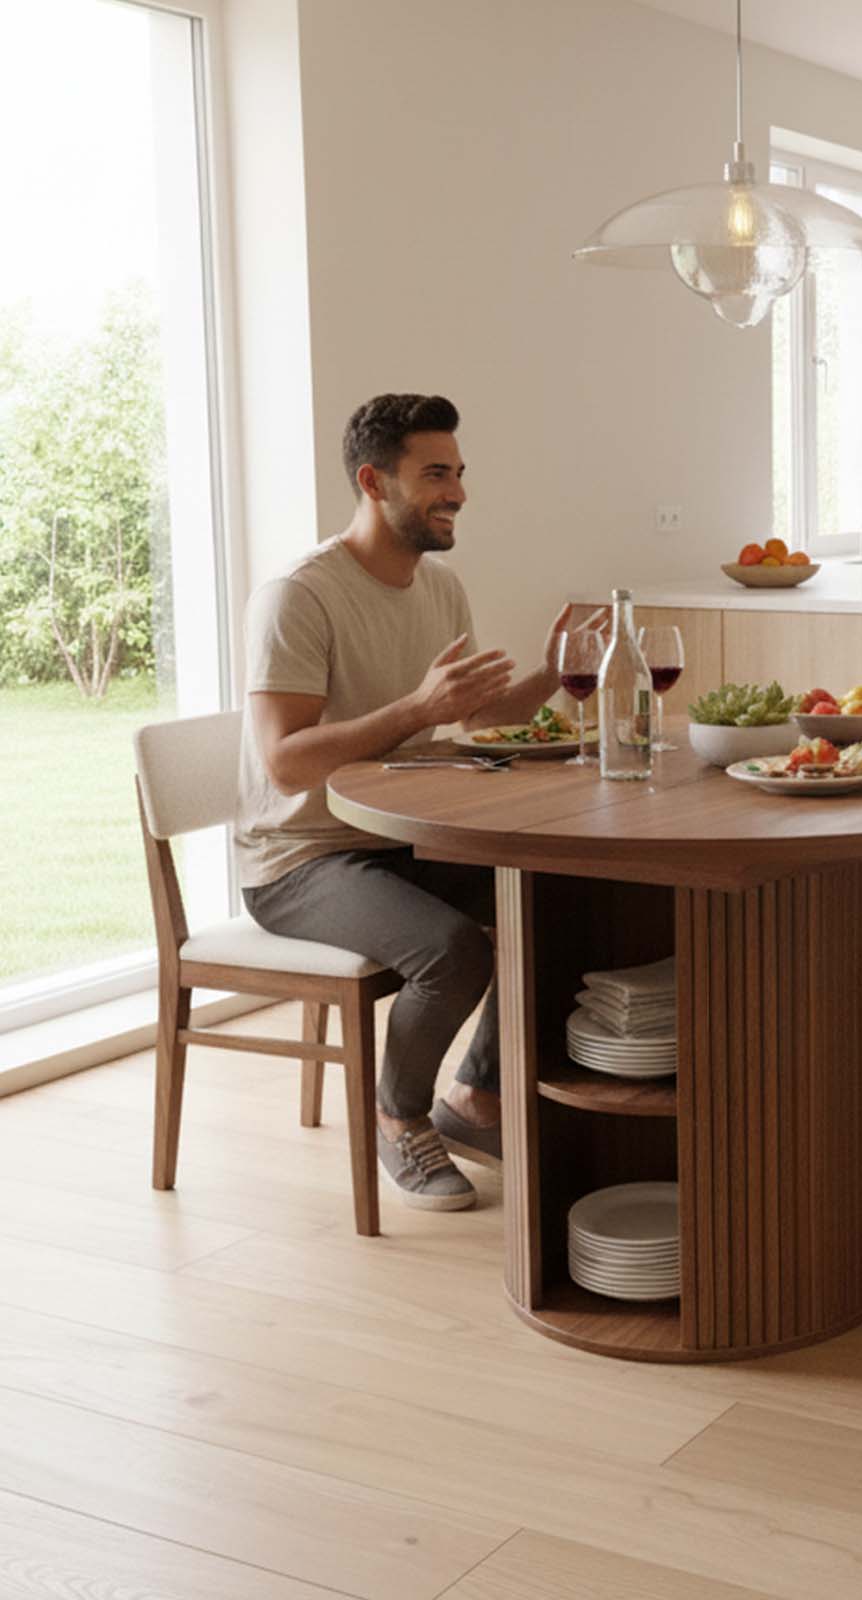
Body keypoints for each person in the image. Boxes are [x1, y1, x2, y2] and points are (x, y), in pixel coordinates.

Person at [236, 393, 605, 1211]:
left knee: (556, 902)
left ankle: (474, 1098)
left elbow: (471, 718)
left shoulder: (441, 589)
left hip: (397, 840)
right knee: (453, 950)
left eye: (460, 473)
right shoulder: (298, 597)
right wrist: (412, 712)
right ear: (374, 481)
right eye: (436, 474)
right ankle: (398, 1118)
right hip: (301, 858)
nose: (459, 493)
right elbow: (285, 763)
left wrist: (551, 673)